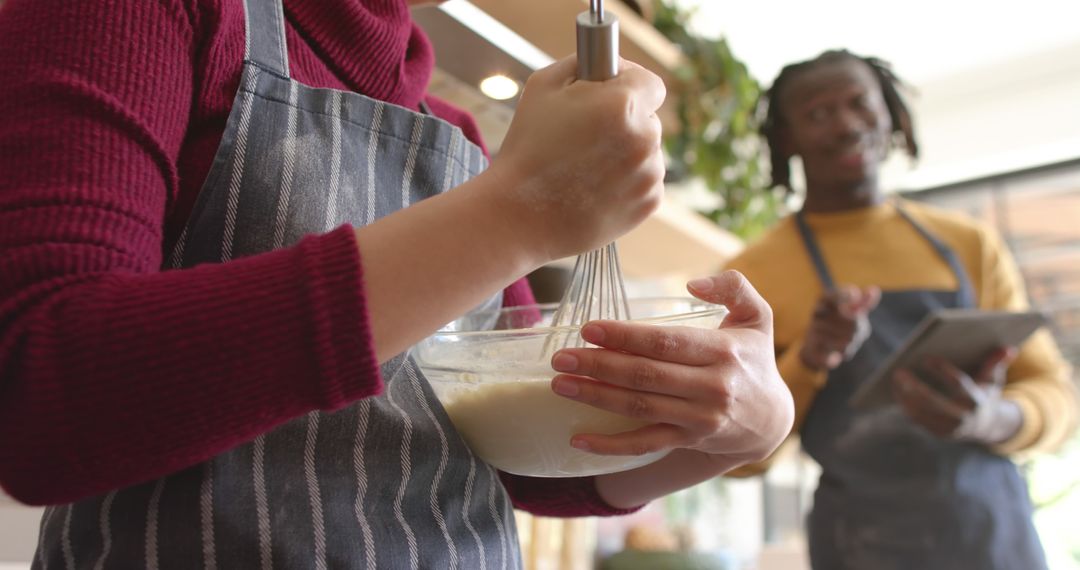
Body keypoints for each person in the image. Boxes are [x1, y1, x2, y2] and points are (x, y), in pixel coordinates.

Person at [0, 0, 794, 567]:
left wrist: (734, 432)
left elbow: (514, 456)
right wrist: (514, 213)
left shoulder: (460, 139)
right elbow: (40, 397)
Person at [724, 49, 1078, 570]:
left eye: (859, 104)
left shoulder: (968, 244)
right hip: (860, 545)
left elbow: (1058, 397)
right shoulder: (754, 274)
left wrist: (989, 418)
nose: (846, 126)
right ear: (786, 139)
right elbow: (735, 460)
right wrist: (810, 359)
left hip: (996, 538)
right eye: (818, 114)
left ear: (889, 112)